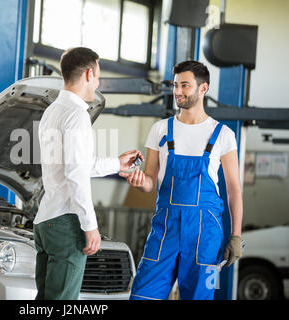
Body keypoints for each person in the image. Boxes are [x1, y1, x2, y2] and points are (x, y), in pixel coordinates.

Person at [120, 60, 243, 300]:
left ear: (203, 88)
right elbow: (150, 181)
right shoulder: (160, 129)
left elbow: (234, 190)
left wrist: (236, 236)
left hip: (206, 233)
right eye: (175, 85)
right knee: (142, 294)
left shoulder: (223, 135)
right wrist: (139, 181)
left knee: (201, 297)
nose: (177, 91)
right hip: (165, 228)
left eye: (184, 85)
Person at [33, 47, 142, 300]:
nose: (98, 83)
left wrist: (117, 164)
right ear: (89, 74)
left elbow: (75, 165)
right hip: (65, 222)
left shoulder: (52, 111)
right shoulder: (77, 114)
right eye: (99, 76)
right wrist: (90, 226)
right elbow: (76, 174)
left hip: (46, 221)